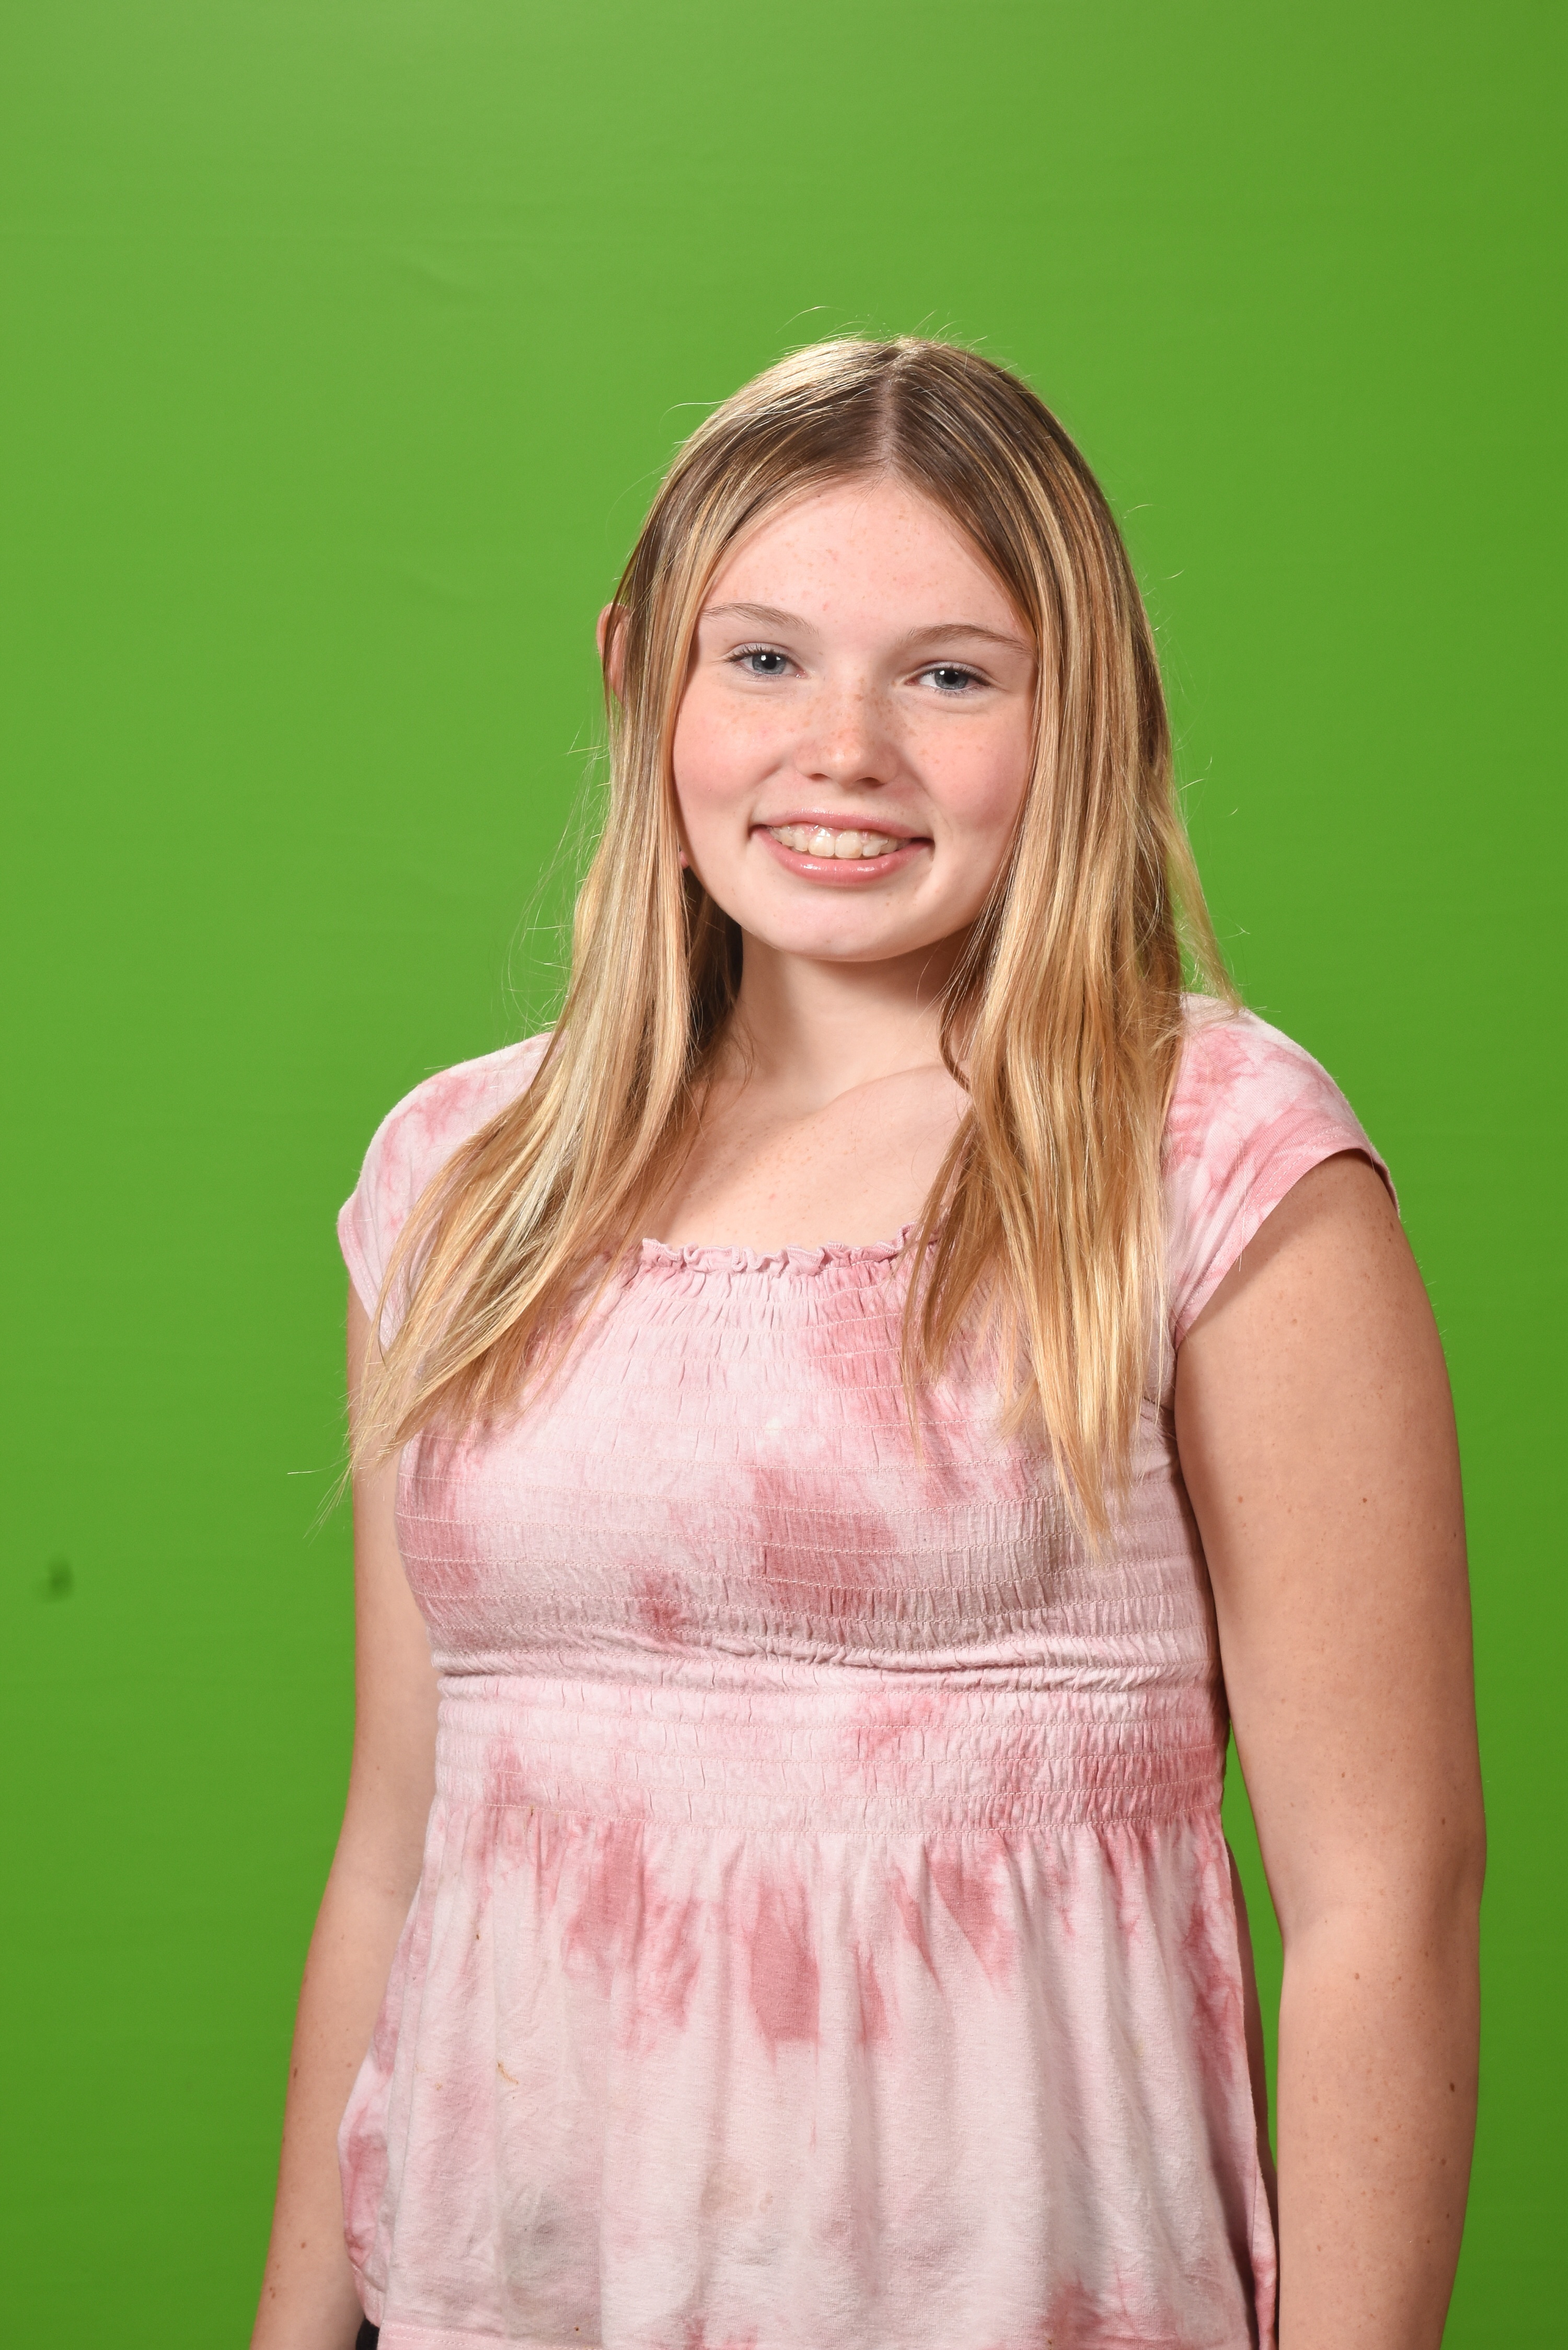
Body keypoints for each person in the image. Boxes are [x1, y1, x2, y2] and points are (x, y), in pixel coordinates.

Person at [251, 338, 1483, 2350]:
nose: (846, 750)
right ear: (639, 677)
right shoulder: (461, 1177)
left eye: (952, 676)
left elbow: (1385, 1897)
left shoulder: (1209, 1156)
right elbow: (398, 1845)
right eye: (763, 660)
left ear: (1081, 718)